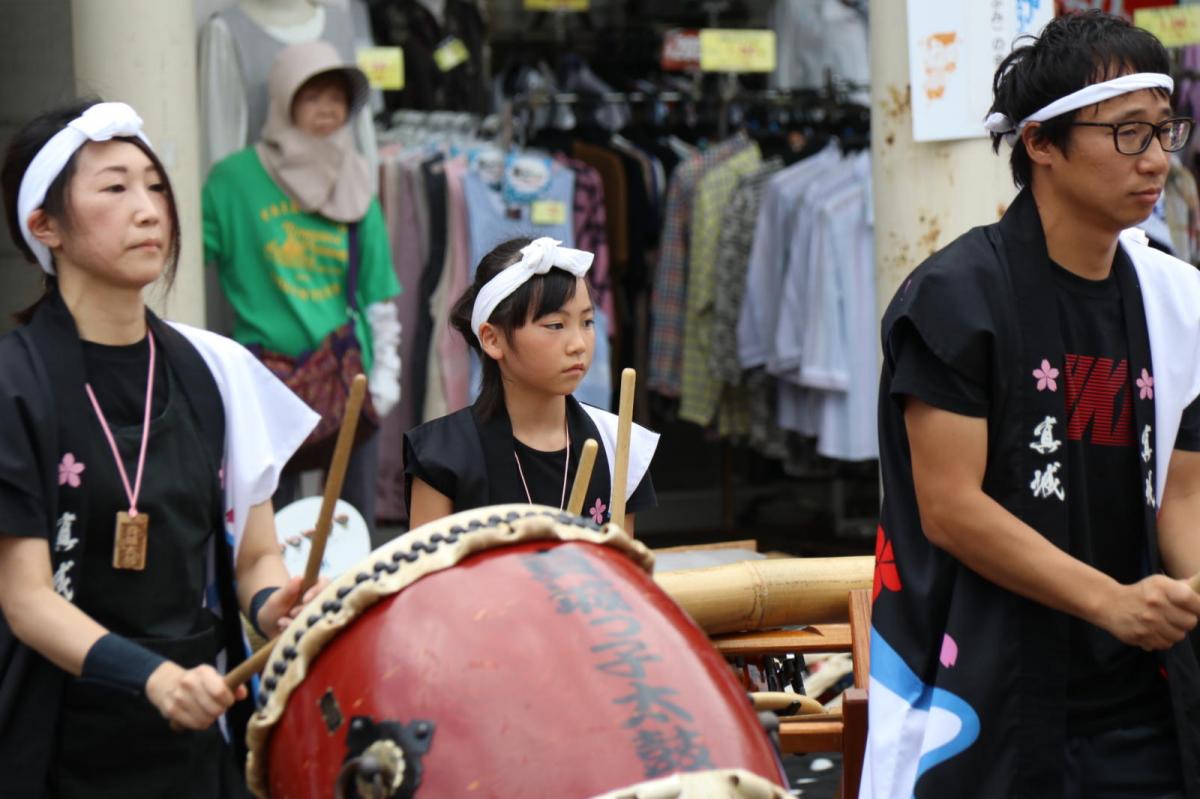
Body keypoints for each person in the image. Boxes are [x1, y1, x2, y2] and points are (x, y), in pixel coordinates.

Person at [863, 12, 1200, 799]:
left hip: (1142, 700)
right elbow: (948, 507)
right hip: (990, 694)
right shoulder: (958, 296)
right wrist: (1111, 601)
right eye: (1126, 134)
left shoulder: (1176, 300)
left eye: (1164, 131)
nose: (1155, 160)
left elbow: (1180, 492)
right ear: (1040, 143)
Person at [0, 101, 325, 797]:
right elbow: (25, 598)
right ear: (44, 226)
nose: (149, 209)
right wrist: (149, 676)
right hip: (58, 734)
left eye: (154, 185)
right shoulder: (15, 382)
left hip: (194, 724)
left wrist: (275, 606)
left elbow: (255, 556)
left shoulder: (216, 368)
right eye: (115, 188)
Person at [202, 40, 402, 548]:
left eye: (338, 98)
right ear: (284, 99)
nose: (328, 109)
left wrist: (387, 374)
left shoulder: (357, 178)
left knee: (353, 522)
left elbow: (378, 290)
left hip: (347, 373)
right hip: (266, 373)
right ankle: (275, 615)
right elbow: (177, 262)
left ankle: (355, 612)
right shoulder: (233, 181)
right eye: (313, 94)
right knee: (270, 515)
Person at [403, 237, 658, 533]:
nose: (579, 345)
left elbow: (619, 570)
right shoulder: (442, 455)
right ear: (492, 339)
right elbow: (427, 577)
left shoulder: (620, 445)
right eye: (555, 325)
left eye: (587, 322)